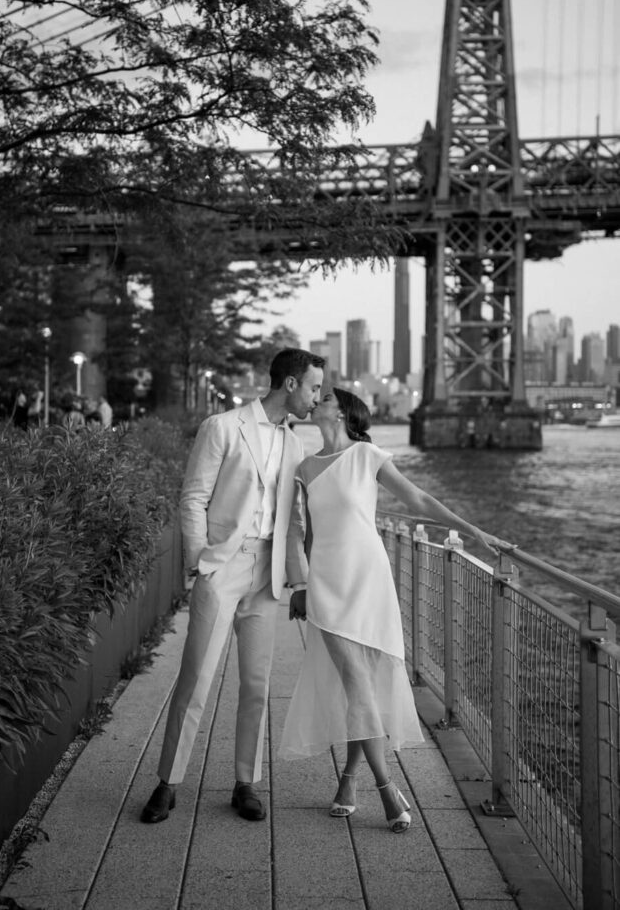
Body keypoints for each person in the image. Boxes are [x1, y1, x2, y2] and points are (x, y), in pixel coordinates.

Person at [279, 386, 513, 833]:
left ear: (343, 412)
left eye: (325, 396)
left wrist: (476, 532)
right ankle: (389, 790)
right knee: (356, 683)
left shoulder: (369, 457)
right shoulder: (305, 468)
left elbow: (419, 501)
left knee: (359, 687)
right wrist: (302, 586)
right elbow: (307, 534)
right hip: (328, 586)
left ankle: (348, 780)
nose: (317, 400)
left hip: (369, 582)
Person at [141, 348, 325, 825]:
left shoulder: (295, 445)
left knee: (257, 684)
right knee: (196, 677)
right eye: (313, 387)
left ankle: (246, 782)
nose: (317, 398)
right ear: (289, 385)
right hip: (222, 567)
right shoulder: (222, 427)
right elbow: (193, 498)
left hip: (267, 575)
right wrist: (201, 560)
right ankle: (168, 782)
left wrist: (299, 579)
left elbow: (292, 521)